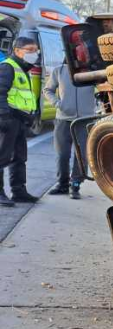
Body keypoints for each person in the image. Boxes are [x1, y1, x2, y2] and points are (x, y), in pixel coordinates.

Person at [43, 59, 97, 199]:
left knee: (81, 156)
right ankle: (62, 185)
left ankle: (76, 185)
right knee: (62, 155)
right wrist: (58, 103)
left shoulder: (91, 71)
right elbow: (48, 90)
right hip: (63, 120)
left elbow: (102, 88)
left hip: (84, 120)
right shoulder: (59, 70)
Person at [0, 38, 41, 206]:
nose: (34, 54)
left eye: (36, 51)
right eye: (30, 50)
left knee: (19, 157)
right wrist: (3, 117)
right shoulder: (8, 67)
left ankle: (19, 191)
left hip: (20, 120)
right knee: (2, 157)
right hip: (8, 119)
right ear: (17, 51)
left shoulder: (23, 68)